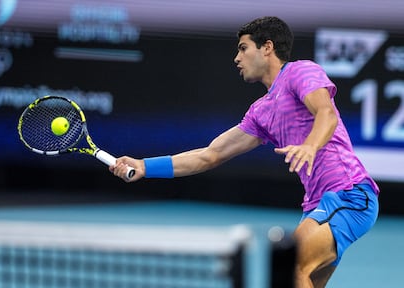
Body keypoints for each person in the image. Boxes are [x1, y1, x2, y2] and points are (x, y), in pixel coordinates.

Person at [110, 16, 379, 288]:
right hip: (317, 204)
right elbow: (210, 155)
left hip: (350, 193)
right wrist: (144, 166)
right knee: (300, 277)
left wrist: (310, 145)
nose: (236, 58)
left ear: (267, 47)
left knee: (293, 263)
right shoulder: (261, 112)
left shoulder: (300, 72)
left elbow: (326, 113)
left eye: (243, 48)